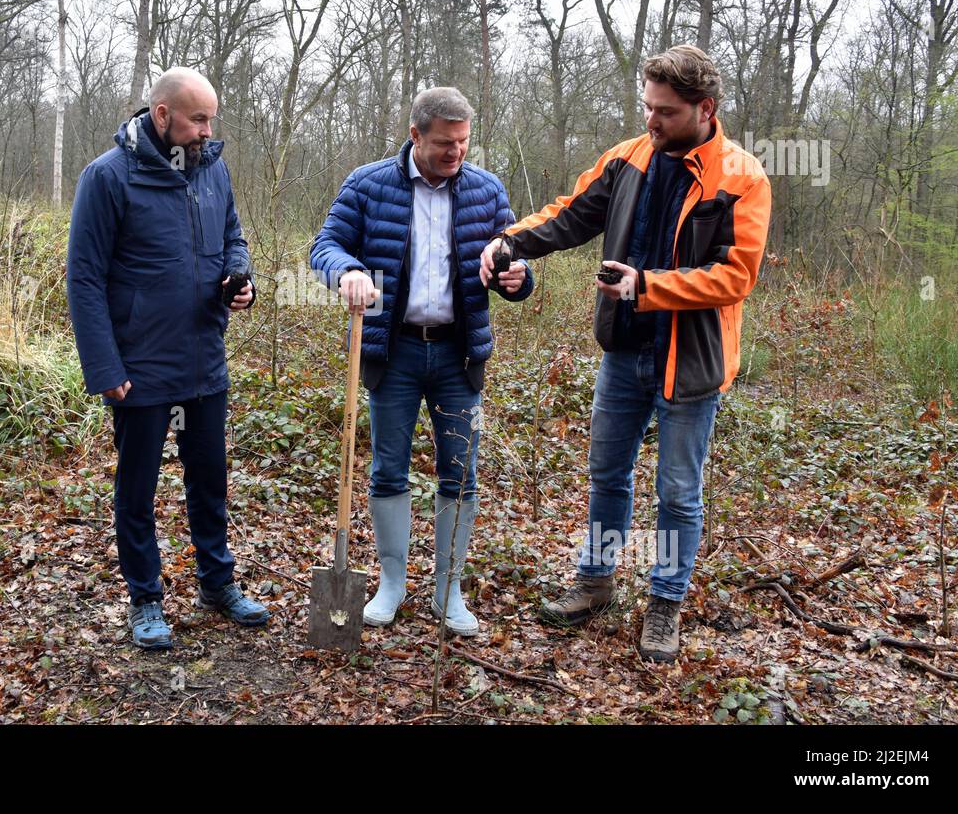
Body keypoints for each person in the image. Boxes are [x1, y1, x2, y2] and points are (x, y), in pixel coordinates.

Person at [482, 45, 771, 662]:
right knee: (607, 474)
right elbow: (570, 215)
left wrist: (649, 286)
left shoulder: (742, 177)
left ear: (704, 109)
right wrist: (511, 240)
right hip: (623, 352)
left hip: (689, 361)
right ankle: (595, 583)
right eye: (646, 106)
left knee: (677, 492)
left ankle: (665, 605)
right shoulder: (628, 159)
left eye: (665, 111)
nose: (651, 120)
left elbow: (735, 277)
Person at [310, 86, 534, 636]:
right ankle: (391, 583)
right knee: (388, 467)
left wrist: (517, 277)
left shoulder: (485, 190)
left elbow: (515, 264)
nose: (455, 152)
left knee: (460, 470)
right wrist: (346, 271)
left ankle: (448, 589)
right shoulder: (368, 184)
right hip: (395, 351)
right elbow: (325, 246)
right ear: (415, 136)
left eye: (462, 142)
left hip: (460, 356)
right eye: (443, 143)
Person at [66, 66, 268, 650]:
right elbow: (84, 278)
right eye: (198, 119)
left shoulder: (212, 169)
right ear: (162, 116)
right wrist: (105, 367)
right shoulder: (107, 179)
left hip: (204, 357)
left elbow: (233, 234)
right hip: (140, 367)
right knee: (138, 489)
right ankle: (146, 599)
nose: (208, 131)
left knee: (210, 479)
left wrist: (239, 277)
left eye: (212, 119)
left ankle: (216, 583)